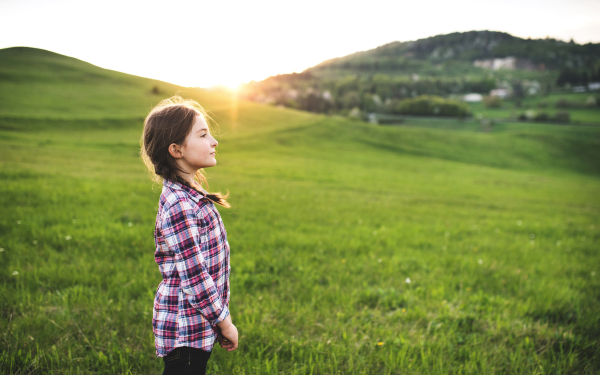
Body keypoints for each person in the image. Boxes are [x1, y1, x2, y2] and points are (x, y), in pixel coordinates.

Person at [141, 96, 238, 375]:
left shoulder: (189, 196)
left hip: (196, 325)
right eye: (203, 134)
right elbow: (195, 277)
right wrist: (225, 323)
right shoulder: (181, 205)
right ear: (176, 150)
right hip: (185, 329)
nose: (214, 141)